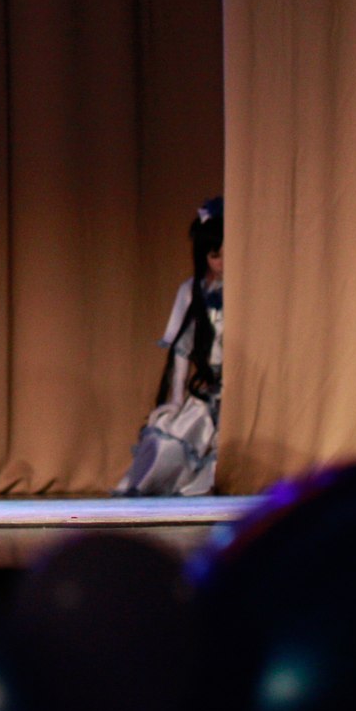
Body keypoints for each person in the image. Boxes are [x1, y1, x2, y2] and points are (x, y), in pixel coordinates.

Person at [116, 197, 224, 496]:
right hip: (208, 389)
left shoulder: (246, 291)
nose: (223, 263)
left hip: (240, 392)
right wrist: (176, 399)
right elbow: (182, 350)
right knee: (177, 430)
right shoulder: (191, 292)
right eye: (216, 255)